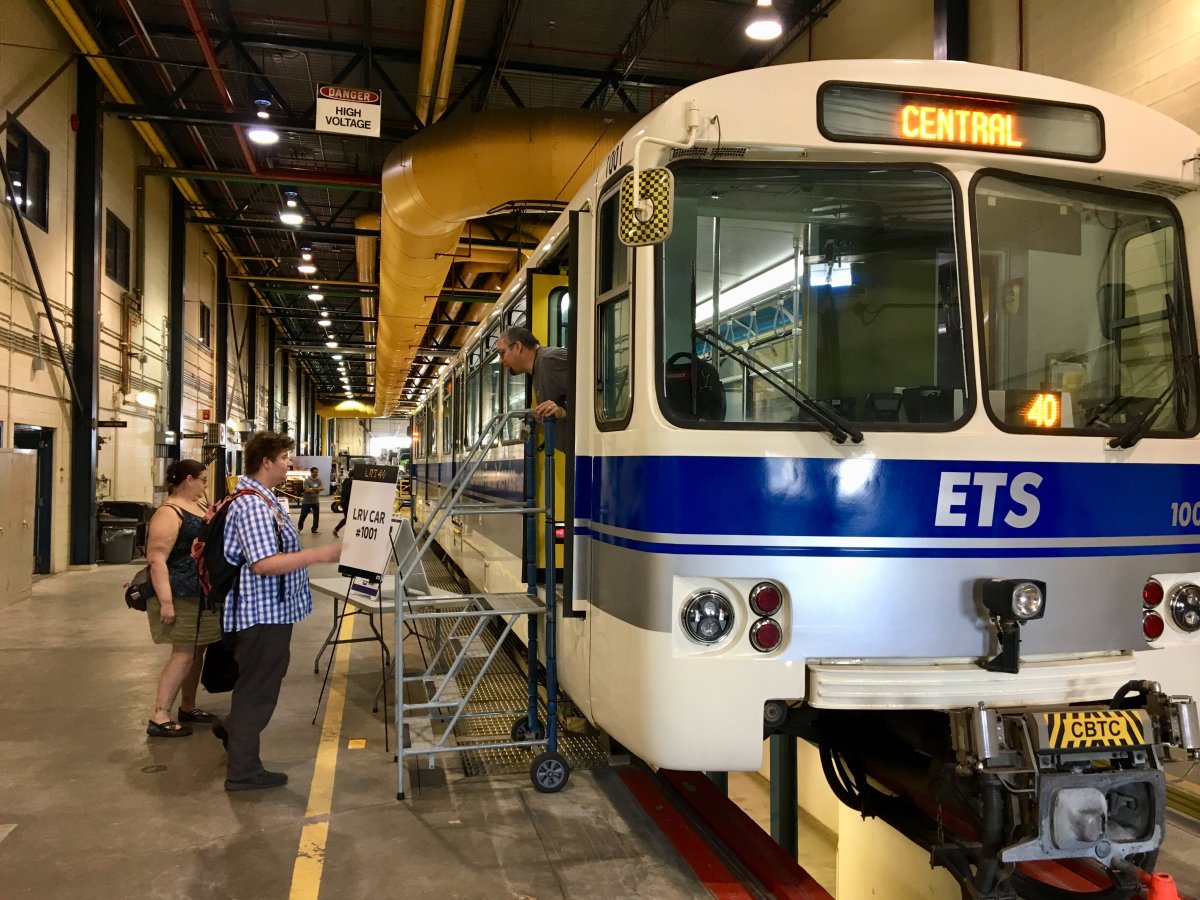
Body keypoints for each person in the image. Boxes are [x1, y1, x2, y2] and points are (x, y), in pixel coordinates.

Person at [220, 432, 341, 791]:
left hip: (271, 611)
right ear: (267, 461)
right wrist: (323, 555)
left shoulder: (265, 498)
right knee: (258, 690)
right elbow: (263, 564)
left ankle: (233, 730)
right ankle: (242, 771)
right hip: (261, 614)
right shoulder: (253, 505)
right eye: (285, 457)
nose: (291, 463)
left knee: (259, 683)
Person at [144, 458, 221, 737]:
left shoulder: (198, 506)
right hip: (180, 592)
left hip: (202, 591)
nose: (204, 485)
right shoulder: (168, 512)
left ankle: (188, 706)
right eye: (202, 480)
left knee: (197, 652)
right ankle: (160, 715)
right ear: (188, 479)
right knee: (182, 654)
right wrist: (166, 601)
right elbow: (157, 559)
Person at [496, 326, 569, 421]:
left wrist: (562, 412)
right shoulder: (537, 368)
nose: (500, 361)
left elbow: (590, 397)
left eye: (502, 353)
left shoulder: (550, 360)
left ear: (518, 347)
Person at [297, 466, 322, 534]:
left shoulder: (319, 480)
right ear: (311, 472)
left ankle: (314, 529)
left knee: (316, 516)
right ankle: (299, 528)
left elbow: (322, 488)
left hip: (315, 501)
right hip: (307, 501)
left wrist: (312, 489)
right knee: (303, 515)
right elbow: (307, 490)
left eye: (317, 472)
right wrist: (317, 490)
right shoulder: (307, 480)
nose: (316, 474)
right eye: (315, 472)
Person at [331, 471, 353, 538]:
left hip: (344, 502)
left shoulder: (346, 481)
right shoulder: (351, 482)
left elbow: (343, 492)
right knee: (349, 518)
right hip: (347, 503)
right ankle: (336, 529)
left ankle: (336, 529)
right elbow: (348, 493)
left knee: (348, 518)